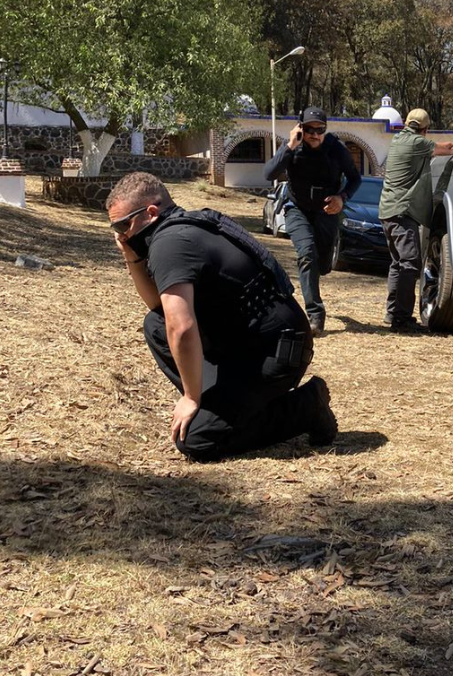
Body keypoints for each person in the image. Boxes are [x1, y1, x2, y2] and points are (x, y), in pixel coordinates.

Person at [106, 171, 337, 462]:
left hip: (276, 353)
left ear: (151, 213)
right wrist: (131, 254)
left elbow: (181, 327)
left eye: (122, 225)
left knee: (197, 440)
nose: (120, 234)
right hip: (248, 344)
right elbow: (158, 307)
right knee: (155, 324)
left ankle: (306, 406)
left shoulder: (169, 243)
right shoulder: (185, 227)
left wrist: (191, 397)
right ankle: (228, 405)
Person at [379, 109, 453, 330]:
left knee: (398, 264)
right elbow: (447, 148)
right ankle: (401, 318)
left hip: (388, 212)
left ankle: (392, 313)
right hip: (402, 212)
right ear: (425, 129)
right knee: (410, 264)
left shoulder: (398, 139)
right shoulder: (416, 143)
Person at [264, 107, 361, 336]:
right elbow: (269, 173)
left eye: (320, 130)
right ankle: (315, 315)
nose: (314, 134)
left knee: (323, 264)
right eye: (309, 129)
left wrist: (341, 197)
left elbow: (355, 179)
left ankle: (320, 267)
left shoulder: (336, 149)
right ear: (301, 128)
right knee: (307, 254)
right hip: (296, 208)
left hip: (326, 211)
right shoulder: (292, 147)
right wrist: (289, 146)